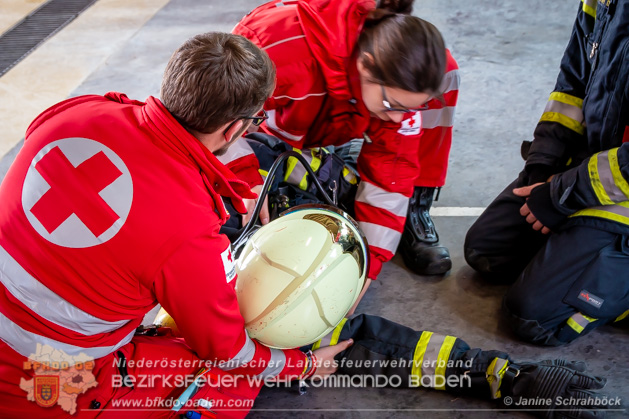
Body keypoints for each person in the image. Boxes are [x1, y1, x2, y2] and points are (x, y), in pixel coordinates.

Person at [0, 28, 609, 419]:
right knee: (281, 334)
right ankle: (508, 378)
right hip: (58, 389)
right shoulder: (183, 232)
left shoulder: (79, 113)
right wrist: (296, 366)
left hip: (37, 331)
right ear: (238, 127)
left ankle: (504, 378)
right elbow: (230, 350)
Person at [221, 0, 460, 293]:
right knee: (236, 213)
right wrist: (245, 180)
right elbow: (217, 124)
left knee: (448, 76)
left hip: (338, 119)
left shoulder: (404, 79)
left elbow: (391, 170)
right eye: (392, 106)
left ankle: (416, 206)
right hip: (266, 133)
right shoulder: (275, 47)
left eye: (408, 109)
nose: (399, 117)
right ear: (366, 64)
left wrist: (365, 270)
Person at [464, 0, 629, 346]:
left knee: (533, 316)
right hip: (594, 166)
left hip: (621, 191)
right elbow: (571, 87)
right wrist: (542, 167)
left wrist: (563, 194)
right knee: (488, 252)